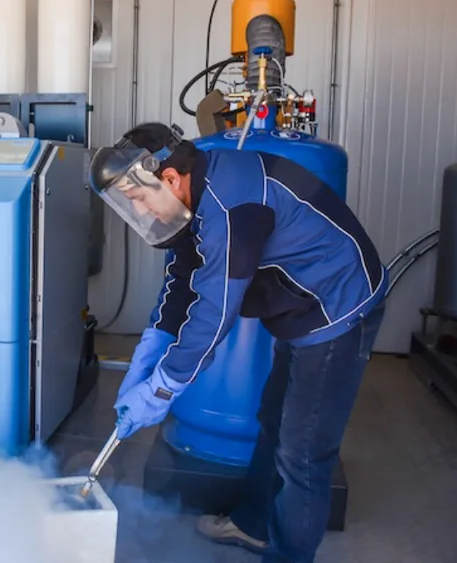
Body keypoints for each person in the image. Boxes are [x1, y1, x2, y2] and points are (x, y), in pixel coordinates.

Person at [89, 122, 387, 563]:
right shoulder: (194, 196)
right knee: (274, 419)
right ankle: (254, 525)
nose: (143, 212)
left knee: (303, 454)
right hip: (299, 308)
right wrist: (150, 350)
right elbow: (182, 282)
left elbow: (214, 314)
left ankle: (287, 556)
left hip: (338, 306)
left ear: (168, 179)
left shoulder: (230, 206)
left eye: (139, 199)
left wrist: (161, 388)